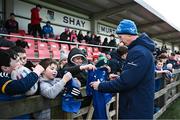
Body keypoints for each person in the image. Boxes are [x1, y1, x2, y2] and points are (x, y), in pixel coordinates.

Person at [90, 19, 155, 119]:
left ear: (129, 34)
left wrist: (100, 86)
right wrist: (120, 77)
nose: (120, 40)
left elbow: (126, 82)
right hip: (138, 105)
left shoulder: (138, 52)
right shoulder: (140, 50)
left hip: (135, 109)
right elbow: (134, 77)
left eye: (120, 37)